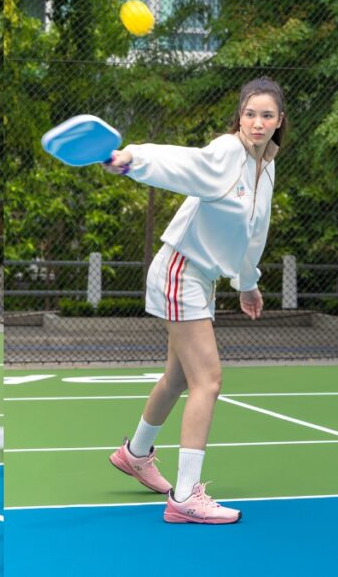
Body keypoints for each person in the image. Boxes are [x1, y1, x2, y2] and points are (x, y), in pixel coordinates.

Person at [103, 77, 285, 524]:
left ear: (280, 121)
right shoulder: (227, 152)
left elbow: (252, 232)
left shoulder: (266, 166)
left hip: (200, 277)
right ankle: (185, 497)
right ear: (238, 117)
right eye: (249, 113)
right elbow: (181, 162)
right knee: (209, 380)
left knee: (178, 378)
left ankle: (136, 453)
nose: (257, 123)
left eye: (266, 115)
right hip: (180, 270)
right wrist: (131, 159)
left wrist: (247, 282)